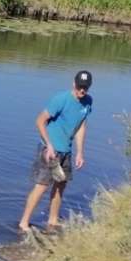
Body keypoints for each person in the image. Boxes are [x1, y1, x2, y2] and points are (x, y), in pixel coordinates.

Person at [17, 71, 94, 235]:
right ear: (74, 84)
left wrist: (80, 152)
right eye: (80, 87)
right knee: (42, 186)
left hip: (66, 150)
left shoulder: (88, 102)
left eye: (85, 88)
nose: (82, 91)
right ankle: (23, 223)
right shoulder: (61, 99)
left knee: (61, 185)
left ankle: (52, 221)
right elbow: (40, 120)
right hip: (50, 150)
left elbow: (81, 126)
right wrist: (49, 146)